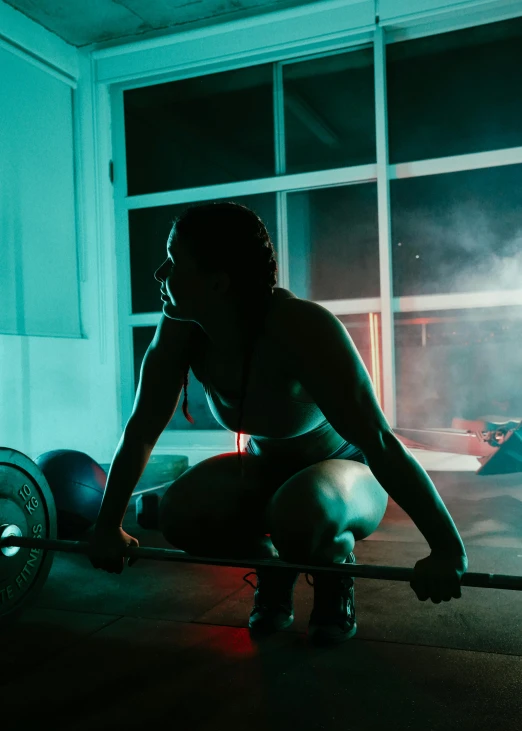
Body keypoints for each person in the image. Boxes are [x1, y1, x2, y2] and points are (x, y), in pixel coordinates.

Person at [89, 202, 468, 646]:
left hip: (346, 473)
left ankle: (333, 568)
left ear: (217, 283)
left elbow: (381, 442)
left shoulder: (302, 328)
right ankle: (273, 570)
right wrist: (106, 525)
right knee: (180, 514)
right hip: (264, 468)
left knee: (297, 514)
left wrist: (447, 550)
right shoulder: (179, 328)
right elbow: (141, 430)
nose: (159, 274)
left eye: (173, 262)